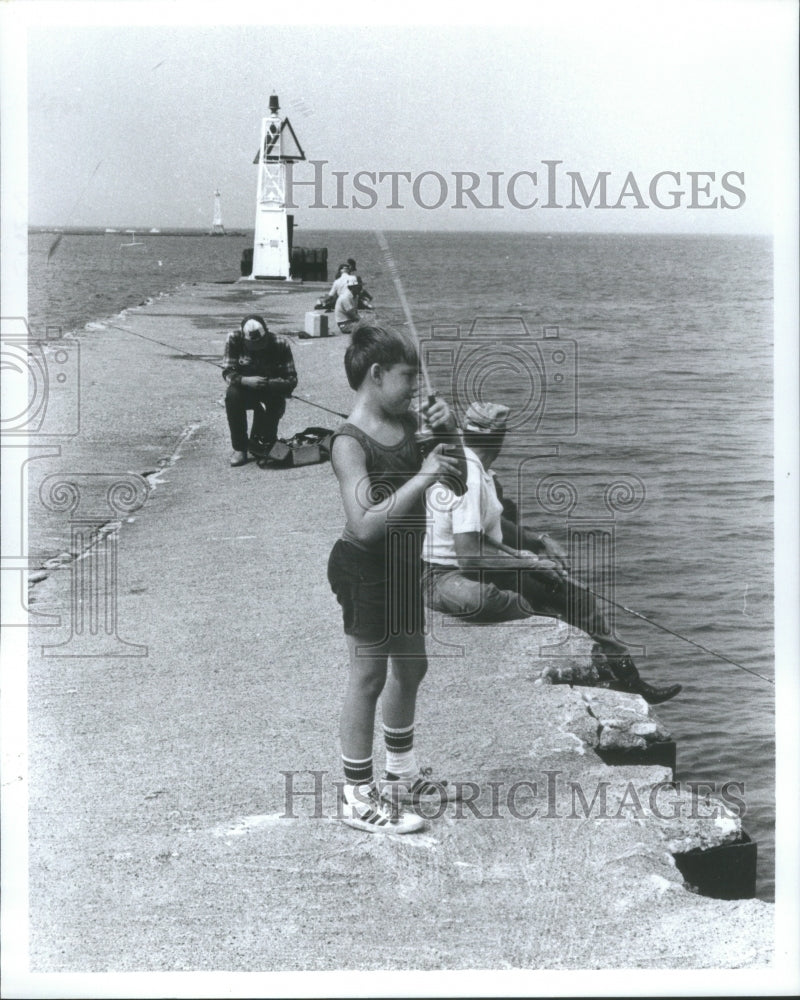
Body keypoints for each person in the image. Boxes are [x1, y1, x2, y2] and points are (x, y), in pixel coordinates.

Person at [422, 401, 682, 704]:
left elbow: (494, 525)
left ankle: (627, 677)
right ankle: (580, 662)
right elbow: (468, 556)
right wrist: (529, 566)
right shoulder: (471, 475)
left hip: (475, 566)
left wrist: (538, 542)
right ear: (501, 438)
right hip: (442, 576)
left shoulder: (480, 470)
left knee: (572, 593)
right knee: (509, 602)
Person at [327, 324, 462, 833]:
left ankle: (400, 775)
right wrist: (422, 475)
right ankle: (356, 796)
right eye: (408, 377)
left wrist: (446, 434)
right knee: (368, 676)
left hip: (405, 563)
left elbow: (460, 481)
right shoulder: (348, 443)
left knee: (412, 667)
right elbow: (363, 522)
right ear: (376, 375)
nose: (416, 389)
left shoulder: (409, 425)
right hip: (364, 567)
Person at [221, 315, 298, 467]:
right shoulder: (233, 338)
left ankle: (260, 440)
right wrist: (245, 380)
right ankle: (239, 448)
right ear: (244, 337)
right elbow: (227, 372)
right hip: (244, 388)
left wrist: (274, 384)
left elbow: (292, 379)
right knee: (232, 396)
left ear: (267, 333)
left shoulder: (280, 343)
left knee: (262, 445)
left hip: (270, 391)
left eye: (261, 343)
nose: (258, 348)